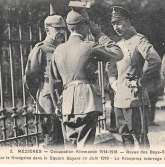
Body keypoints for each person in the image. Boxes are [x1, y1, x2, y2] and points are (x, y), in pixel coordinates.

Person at [49, 9, 123, 148]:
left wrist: (57, 105)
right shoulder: (89, 46)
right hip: (87, 102)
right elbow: (118, 54)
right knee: (85, 147)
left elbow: (53, 82)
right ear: (83, 26)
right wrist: (99, 33)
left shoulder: (58, 50)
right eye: (87, 26)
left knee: (71, 147)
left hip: (67, 105)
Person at [107, 6, 161, 148]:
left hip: (135, 98)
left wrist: (141, 82)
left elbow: (155, 60)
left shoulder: (139, 40)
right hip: (119, 99)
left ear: (128, 21)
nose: (116, 27)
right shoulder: (117, 45)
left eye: (119, 22)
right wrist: (113, 83)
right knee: (125, 137)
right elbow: (111, 67)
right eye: (113, 24)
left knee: (141, 137)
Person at [24, 11, 66, 147]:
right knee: (53, 141)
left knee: (66, 141)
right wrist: (38, 97)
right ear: (48, 30)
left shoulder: (63, 48)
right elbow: (30, 78)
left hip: (64, 100)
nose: (61, 32)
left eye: (63, 29)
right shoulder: (40, 49)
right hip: (48, 102)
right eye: (57, 29)